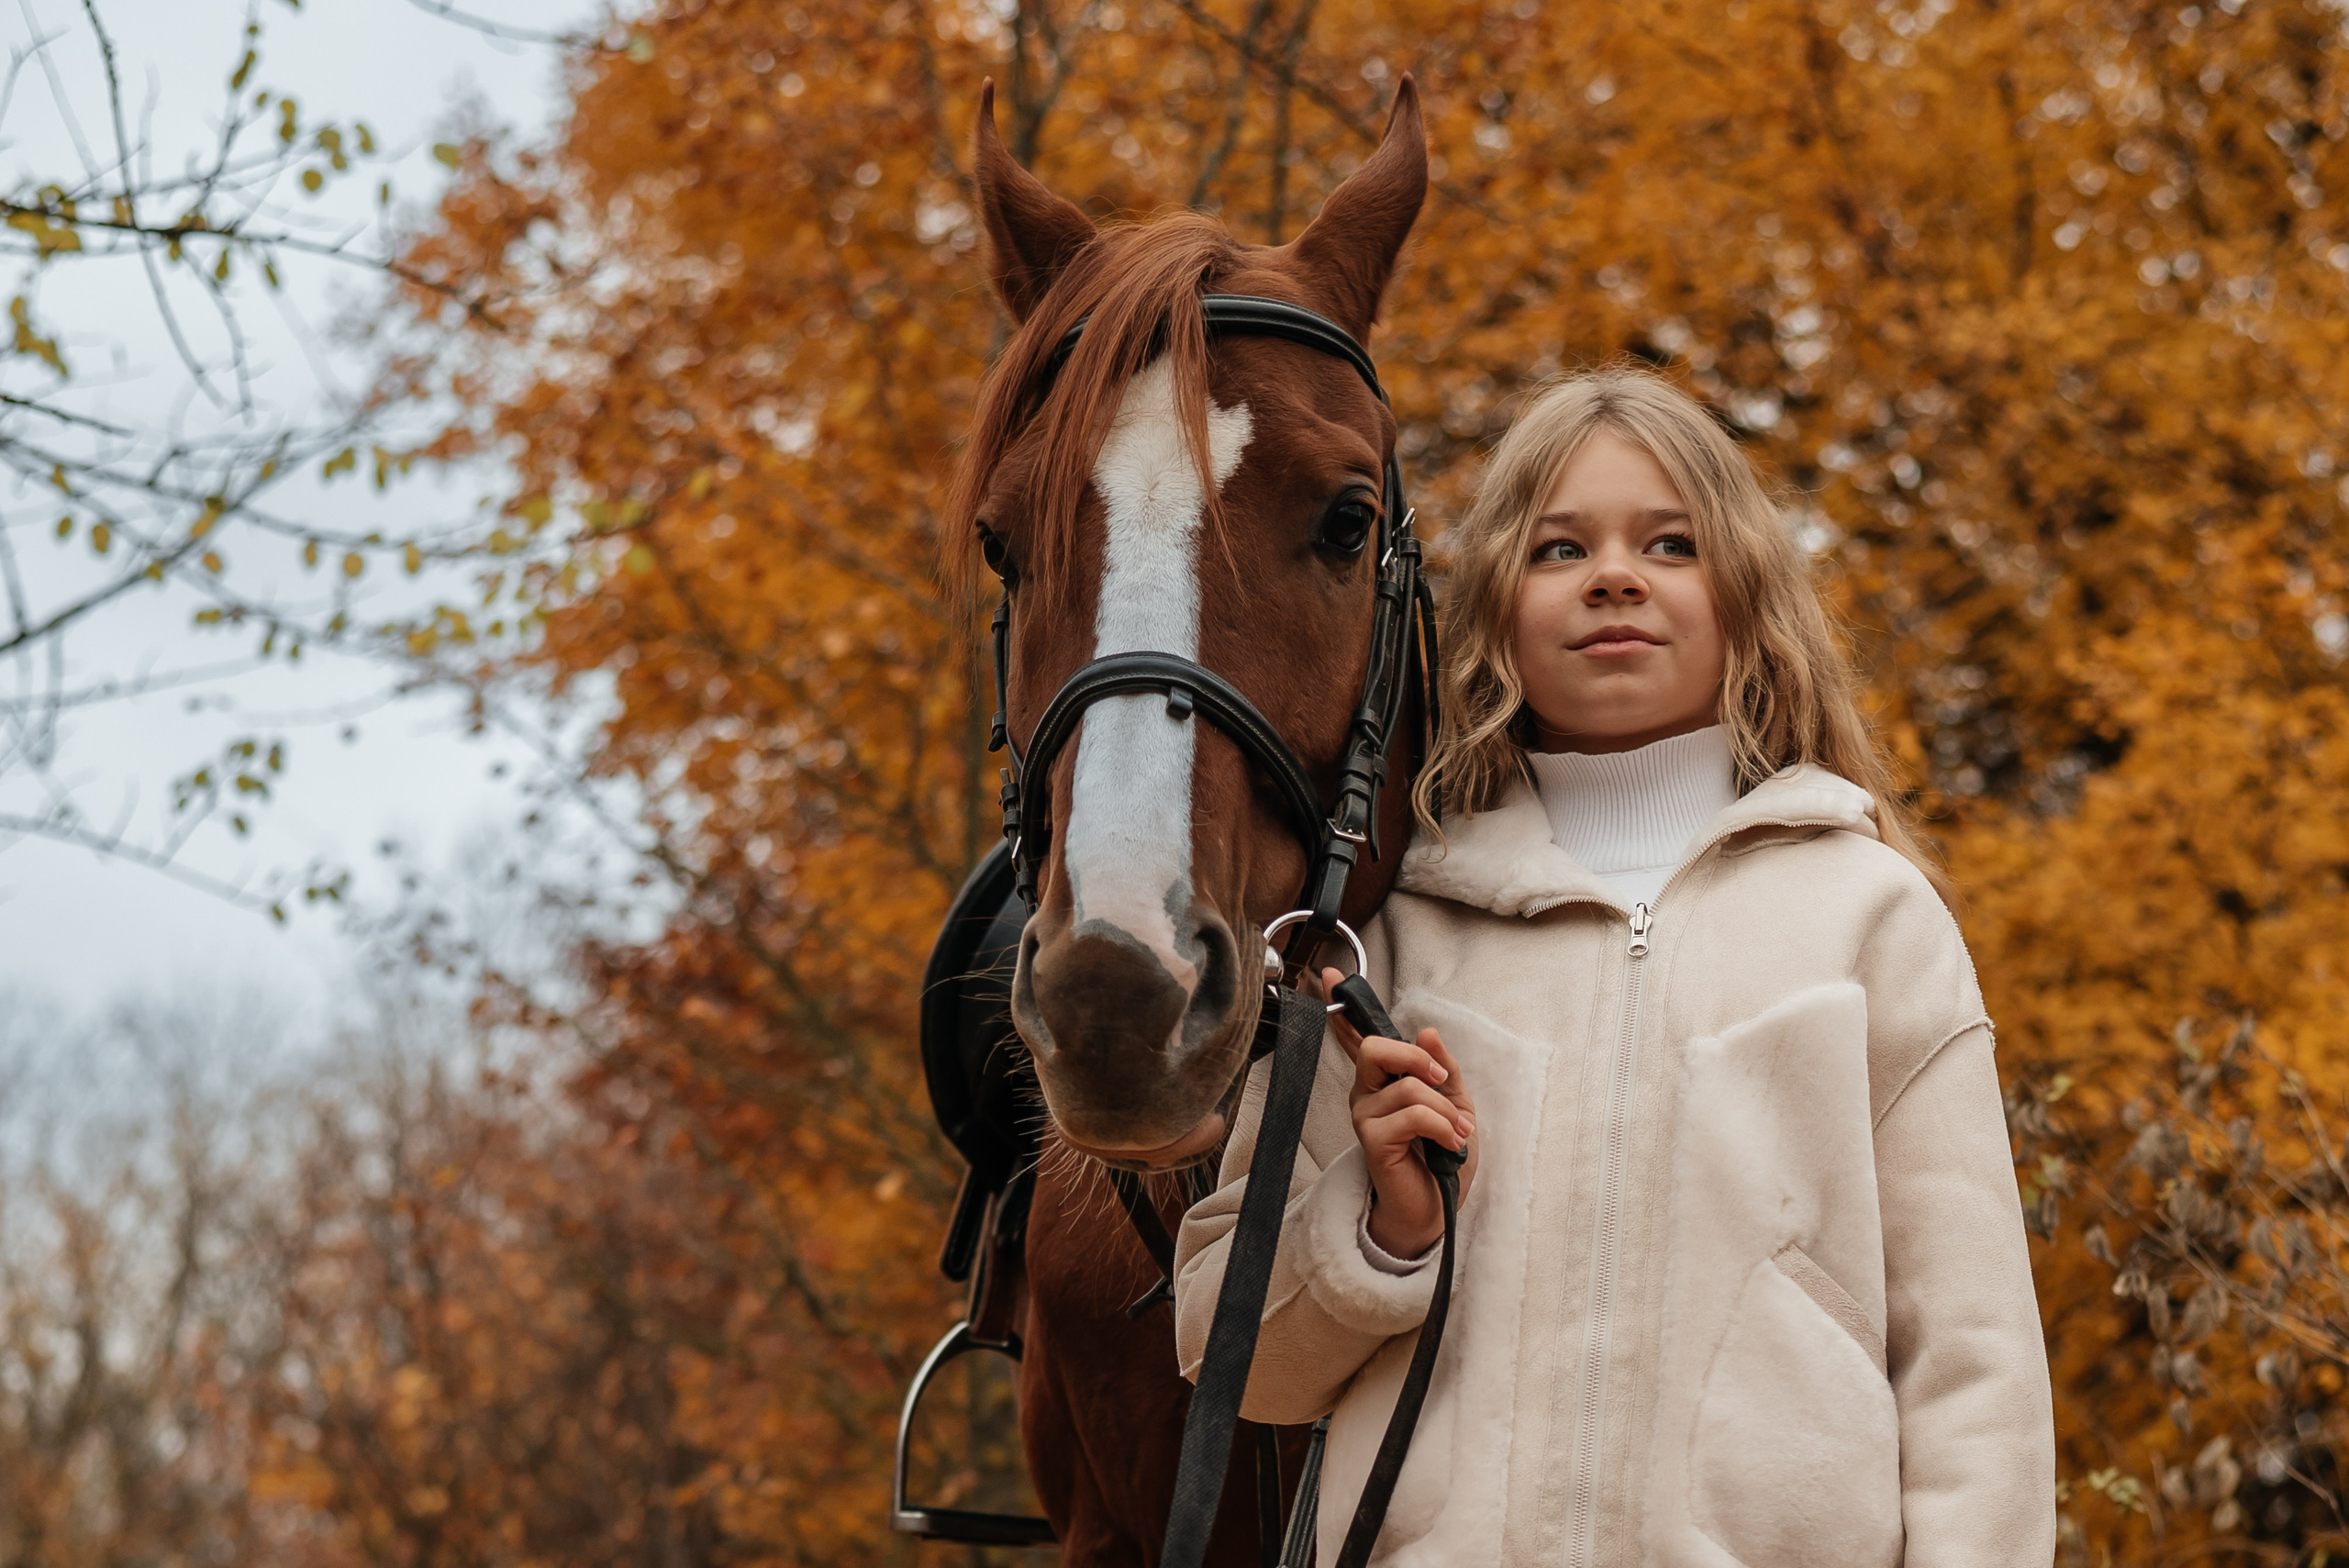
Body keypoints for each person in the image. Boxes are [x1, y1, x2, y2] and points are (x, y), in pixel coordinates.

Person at [1172, 366, 2054, 1567]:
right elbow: (1231, 1352)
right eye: (1557, 548)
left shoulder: (1869, 917)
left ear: (1746, 597)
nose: (1614, 575)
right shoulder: (1385, 938)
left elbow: (1977, 1371)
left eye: (1671, 543)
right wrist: (1380, 1227)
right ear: (1494, 608)